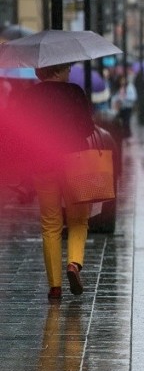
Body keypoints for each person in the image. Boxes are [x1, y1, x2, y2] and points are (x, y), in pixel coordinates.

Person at [8, 63, 96, 301]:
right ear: (57, 70)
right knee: (79, 218)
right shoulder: (74, 92)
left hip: (43, 163)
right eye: (66, 67)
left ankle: (55, 286)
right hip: (74, 161)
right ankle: (74, 263)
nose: (69, 71)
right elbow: (88, 129)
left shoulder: (30, 95)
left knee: (50, 223)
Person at [112, 74, 137, 140]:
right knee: (122, 121)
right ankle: (125, 134)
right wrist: (118, 99)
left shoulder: (130, 87)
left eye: (123, 80)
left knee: (126, 121)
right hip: (121, 107)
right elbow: (116, 96)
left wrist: (124, 98)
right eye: (121, 80)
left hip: (128, 107)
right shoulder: (120, 88)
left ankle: (127, 134)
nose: (122, 82)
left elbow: (133, 97)